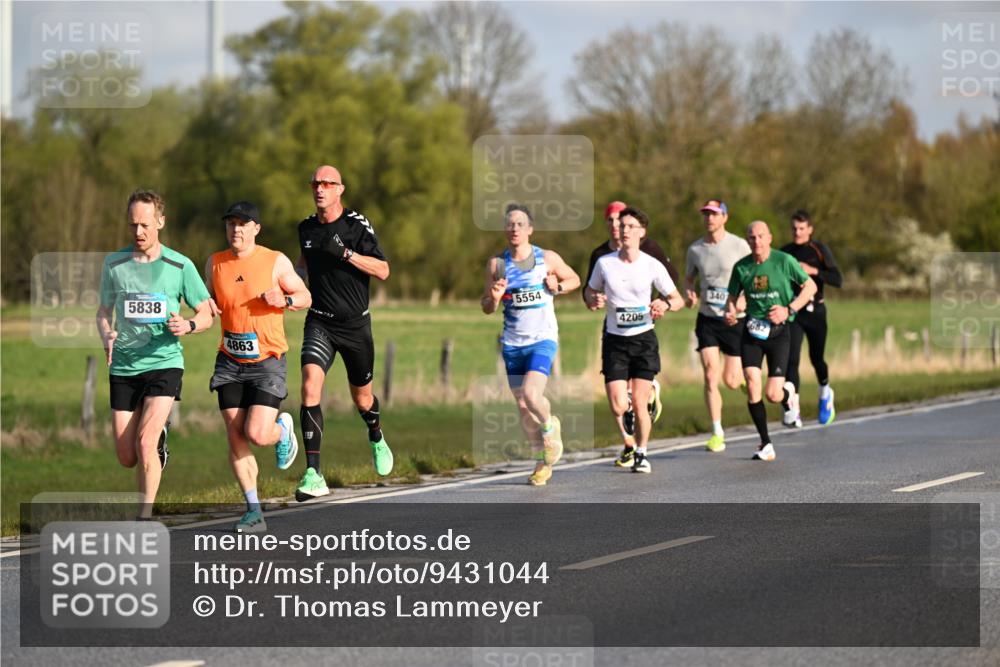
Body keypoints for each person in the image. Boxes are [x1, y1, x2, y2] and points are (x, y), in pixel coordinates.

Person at [96, 189, 214, 519]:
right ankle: (156, 439)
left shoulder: (180, 265)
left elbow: (206, 312)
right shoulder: (114, 264)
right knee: (126, 455)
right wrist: (106, 333)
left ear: (160, 221)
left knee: (145, 443)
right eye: (133, 225)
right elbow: (103, 311)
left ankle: (144, 517)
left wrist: (189, 326)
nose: (138, 232)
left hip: (165, 363)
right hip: (123, 365)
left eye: (145, 224)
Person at [207, 201, 312, 533]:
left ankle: (282, 430)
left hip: (267, 361)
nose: (236, 229)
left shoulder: (274, 260)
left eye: (243, 223)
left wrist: (286, 300)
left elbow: (306, 296)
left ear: (256, 228)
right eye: (231, 223)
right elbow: (207, 303)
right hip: (229, 360)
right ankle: (253, 510)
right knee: (235, 435)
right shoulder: (214, 263)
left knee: (256, 433)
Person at [294, 165, 392, 502]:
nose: (319, 188)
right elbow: (301, 267)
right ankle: (313, 473)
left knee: (362, 399)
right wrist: (283, 286)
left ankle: (376, 435)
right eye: (315, 183)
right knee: (309, 384)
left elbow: (383, 270)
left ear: (340, 189)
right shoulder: (305, 228)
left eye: (327, 183)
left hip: (355, 327)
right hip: (320, 321)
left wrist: (347, 254)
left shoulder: (356, 226)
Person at [481, 204, 580, 486]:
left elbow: (574, 279)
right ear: (505, 229)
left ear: (530, 229)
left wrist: (557, 287)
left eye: (520, 224)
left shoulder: (546, 258)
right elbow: (486, 306)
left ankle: (550, 425)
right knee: (523, 408)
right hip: (512, 343)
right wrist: (495, 297)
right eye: (510, 224)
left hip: (542, 339)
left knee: (531, 394)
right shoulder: (496, 265)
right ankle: (542, 462)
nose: (514, 229)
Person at [585, 207, 684, 473]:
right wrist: (592, 299)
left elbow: (678, 300)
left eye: (630, 226)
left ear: (642, 232)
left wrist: (664, 304)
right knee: (619, 405)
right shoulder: (605, 263)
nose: (624, 230)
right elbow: (589, 291)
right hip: (615, 341)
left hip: (643, 340)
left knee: (640, 403)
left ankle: (641, 452)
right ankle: (636, 405)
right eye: (622, 225)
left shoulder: (652, 265)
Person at [725, 221, 817, 462]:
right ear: (747, 240)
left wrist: (789, 309)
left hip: (778, 333)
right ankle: (765, 443)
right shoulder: (741, 267)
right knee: (752, 383)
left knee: (773, 394)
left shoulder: (784, 261)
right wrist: (731, 312)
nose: (756, 241)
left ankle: (789, 396)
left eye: (760, 237)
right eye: (752, 237)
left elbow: (810, 286)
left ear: (769, 238)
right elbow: (732, 298)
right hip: (752, 333)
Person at [684, 199, 751, 453]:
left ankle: (743, 380)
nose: (709, 219)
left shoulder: (739, 245)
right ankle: (717, 432)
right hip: (707, 318)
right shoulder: (695, 249)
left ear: (725, 217)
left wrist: (742, 302)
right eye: (706, 215)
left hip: (734, 319)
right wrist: (690, 293)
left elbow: (752, 277)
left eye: (714, 214)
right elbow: (689, 279)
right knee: (711, 374)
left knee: (731, 381)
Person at [780, 210, 842, 426]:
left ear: (810, 229)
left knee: (817, 358)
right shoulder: (786, 252)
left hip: (816, 312)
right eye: (794, 229)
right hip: (794, 311)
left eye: (802, 229)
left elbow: (837, 279)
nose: (797, 232)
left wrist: (813, 270)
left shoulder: (819, 249)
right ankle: (793, 407)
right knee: (791, 359)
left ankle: (825, 391)